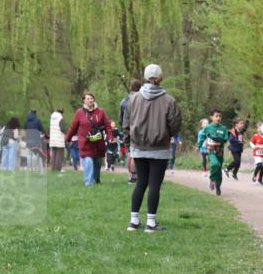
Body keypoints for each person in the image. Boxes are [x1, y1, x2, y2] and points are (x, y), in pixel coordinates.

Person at [122, 63, 182, 232]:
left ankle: (133, 221)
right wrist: (167, 134)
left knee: (140, 182)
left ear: (145, 77)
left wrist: (129, 145)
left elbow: (126, 124)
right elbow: (175, 124)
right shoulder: (169, 101)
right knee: (154, 184)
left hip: (138, 147)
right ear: (160, 78)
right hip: (160, 149)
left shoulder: (132, 99)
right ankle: (151, 223)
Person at [65, 93, 114, 186]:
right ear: (83, 100)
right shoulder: (79, 112)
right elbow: (73, 127)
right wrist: (67, 138)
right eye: (88, 99)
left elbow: (108, 126)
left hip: (98, 143)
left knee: (98, 162)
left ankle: (95, 180)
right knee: (88, 160)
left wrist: (110, 136)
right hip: (85, 142)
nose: (90, 100)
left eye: (92, 98)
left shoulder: (100, 112)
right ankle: (88, 182)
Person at [198, 110, 229, 195]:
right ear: (211, 117)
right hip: (211, 150)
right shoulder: (207, 128)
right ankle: (212, 179)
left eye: (220, 116)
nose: (218, 118)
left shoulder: (223, 128)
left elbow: (225, 139)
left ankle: (218, 186)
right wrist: (199, 145)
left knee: (219, 171)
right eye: (216, 116)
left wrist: (214, 137)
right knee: (215, 164)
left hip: (220, 151)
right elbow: (202, 137)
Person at [119, 80, 142, 183]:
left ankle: (131, 175)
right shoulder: (142, 99)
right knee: (137, 153)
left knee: (130, 152)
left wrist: (123, 131)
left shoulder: (124, 101)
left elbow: (121, 118)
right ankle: (135, 176)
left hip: (128, 128)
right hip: (139, 129)